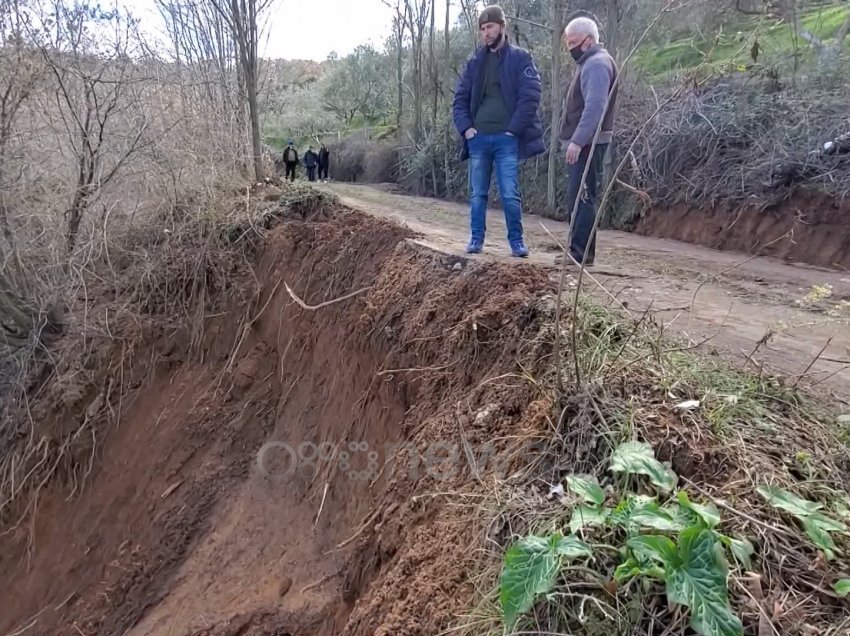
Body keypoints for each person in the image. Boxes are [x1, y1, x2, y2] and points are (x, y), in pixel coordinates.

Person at [452, 4, 544, 258]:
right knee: (477, 193)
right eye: (482, 29)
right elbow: (459, 100)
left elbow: (531, 96)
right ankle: (475, 240)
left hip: (506, 140)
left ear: (502, 27)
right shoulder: (474, 63)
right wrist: (467, 130)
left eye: (490, 27)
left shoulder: (520, 58)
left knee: (509, 194)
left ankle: (516, 242)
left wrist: (513, 131)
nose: (486, 33)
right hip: (478, 139)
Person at [558, 16, 619, 267]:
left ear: (589, 40)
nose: (570, 47)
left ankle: (579, 253)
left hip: (588, 144)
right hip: (587, 143)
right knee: (580, 196)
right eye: (568, 42)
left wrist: (578, 140)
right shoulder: (591, 63)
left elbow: (595, 107)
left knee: (582, 197)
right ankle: (580, 251)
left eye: (574, 42)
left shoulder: (596, 65)